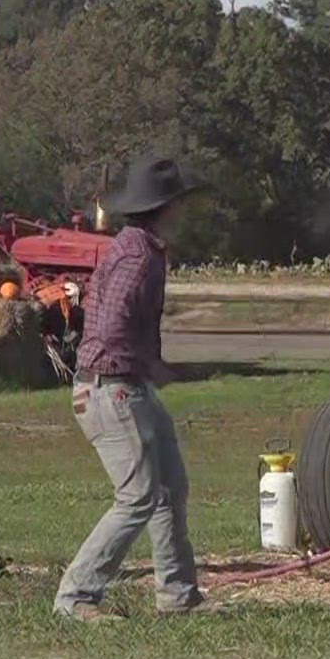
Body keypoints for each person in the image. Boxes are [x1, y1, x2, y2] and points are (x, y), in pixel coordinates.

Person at [53, 156, 206, 622]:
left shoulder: (138, 246)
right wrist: (149, 364)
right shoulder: (138, 255)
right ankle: (76, 597)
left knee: (168, 487)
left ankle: (177, 595)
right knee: (139, 495)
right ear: (165, 207)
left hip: (126, 385)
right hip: (112, 388)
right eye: (179, 203)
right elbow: (115, 320)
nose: (183, 212)